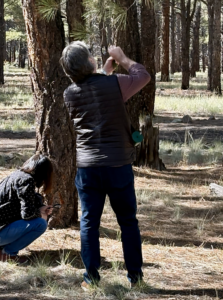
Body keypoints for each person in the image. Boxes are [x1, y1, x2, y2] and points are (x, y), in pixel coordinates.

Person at [60, 42, 151, 288]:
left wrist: (104, 72)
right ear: (89, 62)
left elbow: (96, 97)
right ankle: (136, 279)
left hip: (88, 168)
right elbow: (143, 76)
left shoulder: (69, 93)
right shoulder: (114, 84)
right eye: (90, 55)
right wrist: (121, 57)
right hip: (118, 165)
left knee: (89, 224)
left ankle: (91, 280)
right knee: (128, 222)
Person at [0, 153, 54, 264]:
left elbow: (26, 200)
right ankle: (8, 254)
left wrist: (40, 207)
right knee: (41, 224)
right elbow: (27, 214)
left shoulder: (18, 175)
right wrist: (41, 214)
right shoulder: (27, 181)